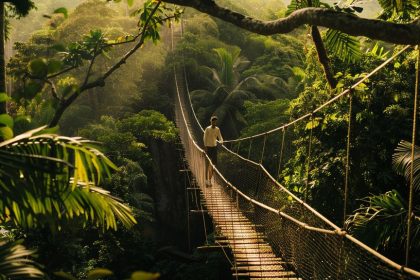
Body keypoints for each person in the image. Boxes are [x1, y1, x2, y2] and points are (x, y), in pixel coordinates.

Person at [203, 115, 223, 187]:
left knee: (213, 166)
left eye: (215, 121)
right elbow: (204, 138)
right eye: (212, 121)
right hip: (208, 148)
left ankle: (209, 180)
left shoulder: (217, 129)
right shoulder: (207, 129)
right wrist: (205, 147)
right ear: (210, 121)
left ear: (216, 122)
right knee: (207, 165)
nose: (214, 122)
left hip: (214, 148)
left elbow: (220, 137)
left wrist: (221, 142)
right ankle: (206, 180)